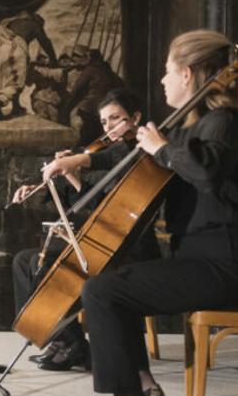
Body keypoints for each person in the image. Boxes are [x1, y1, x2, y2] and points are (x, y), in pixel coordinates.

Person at [41, 30, 238, 396]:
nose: (163, 82)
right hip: (205, 260)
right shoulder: (193, 125)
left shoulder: (226, 122)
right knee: (112, 288)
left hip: (231, 265)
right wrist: (84, 158)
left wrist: (162, 149)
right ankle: (137, 391)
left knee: (104, 291)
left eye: (168, 72)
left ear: (188, 73)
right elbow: (130, 154)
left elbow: (205, 172)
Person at [10, 88, 160, 371]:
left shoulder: (141, 151)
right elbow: (89, 203)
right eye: (104, 122)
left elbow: (107, 194)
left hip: (129, 247)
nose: (109, 128)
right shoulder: (107, 152)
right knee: (22, 261)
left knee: (45, 263)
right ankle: (64, 339)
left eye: (116, 119)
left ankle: (72, 344)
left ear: (135, 117)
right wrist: (56, 179)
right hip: (103, 238)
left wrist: (76, 162)